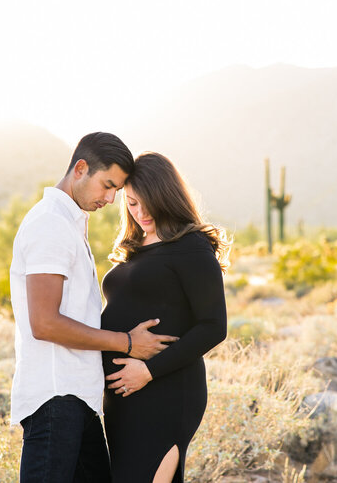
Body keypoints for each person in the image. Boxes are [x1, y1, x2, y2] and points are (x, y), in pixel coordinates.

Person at [10, 133, 179, 483]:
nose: (110, 198)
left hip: (80, 398)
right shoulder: (50, 225)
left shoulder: (70, 224)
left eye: (116, 190)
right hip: (56, 398)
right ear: (80, 169)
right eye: (106, 185)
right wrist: (127, 343)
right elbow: (43, 323)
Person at [101, 152, 229, 483]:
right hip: (124, 397)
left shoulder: (192, 246)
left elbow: (214, 326)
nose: (140, 213)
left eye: (147, 204)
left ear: (166, 197)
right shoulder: (136, 246)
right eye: (131, 204)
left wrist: (148, 370)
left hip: (166, 391)